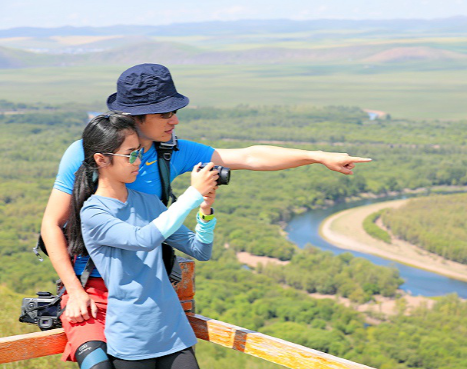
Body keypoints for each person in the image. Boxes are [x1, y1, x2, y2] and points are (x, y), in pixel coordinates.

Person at [41, 63, 371, 367]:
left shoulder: (169, 151)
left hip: (149, 291)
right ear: (136, 116)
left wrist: (316, 156)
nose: (175, 120)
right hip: (91, 286)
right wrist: (75, 289)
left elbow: (249, 156)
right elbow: (52, 225)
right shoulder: (88, 153)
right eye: (166, 113)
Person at [65, 113, 218, 368]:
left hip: (173, 331)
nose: (140, 161)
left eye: (140, 153)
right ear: (101, 160)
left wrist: (205, 211)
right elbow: (144, 239)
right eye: (131, 155)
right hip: (131, 339)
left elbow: (199, 250)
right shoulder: (94, 213)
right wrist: (191, 194)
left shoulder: (148, 202)